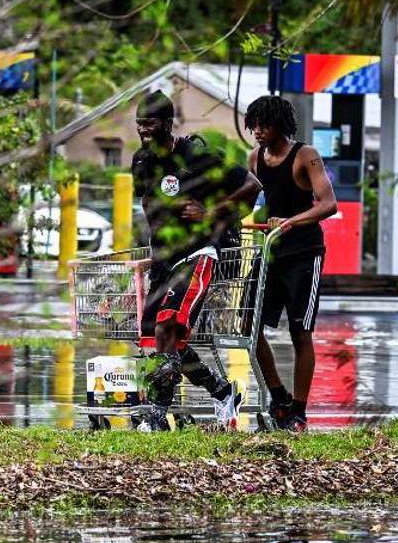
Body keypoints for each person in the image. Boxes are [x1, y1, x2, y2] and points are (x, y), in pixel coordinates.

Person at [131, 90, 262, 431]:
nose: (145, 131)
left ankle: (156, 417)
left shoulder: (197, 155)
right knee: (163, 341)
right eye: (140, 124)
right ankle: (222, 390)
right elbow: (146, 201)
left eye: (151, 124)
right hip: (163, 257)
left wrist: (211, 211)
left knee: (167, 326)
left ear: (168, 123)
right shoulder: (141, 160)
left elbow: (251, 185)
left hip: (197, 253)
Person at [244, 95, 337, 431]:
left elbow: (328, 204)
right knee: (248, 326)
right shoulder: (255, 157)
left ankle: (298, 410)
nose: (257, 131)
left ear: (280, 125)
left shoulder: (305, 155)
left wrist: (291, 221)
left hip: (303, 253)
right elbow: (243, 199)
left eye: (264, 125)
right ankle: (279, 397)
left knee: (300, 332)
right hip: (270, 253)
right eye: (253, 125)